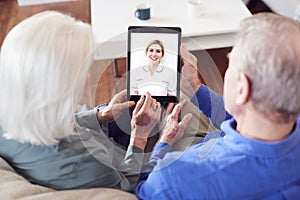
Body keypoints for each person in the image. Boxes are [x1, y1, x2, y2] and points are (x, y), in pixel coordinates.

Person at [135, 12, 300, 199]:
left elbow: (147, 190)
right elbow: (258, 116)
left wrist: (161, 142)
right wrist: (195, 88)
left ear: (242, 88)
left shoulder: (172, 180)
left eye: (231, 64)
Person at [0, 11, 162, 192]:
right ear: (59, 87)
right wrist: (139, 137)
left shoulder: (7, 117)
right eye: (82, 70)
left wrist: (100, 115)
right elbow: (128, 186)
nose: (87, 77)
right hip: (126, 164)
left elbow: (45, 122)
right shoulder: (88, 165)